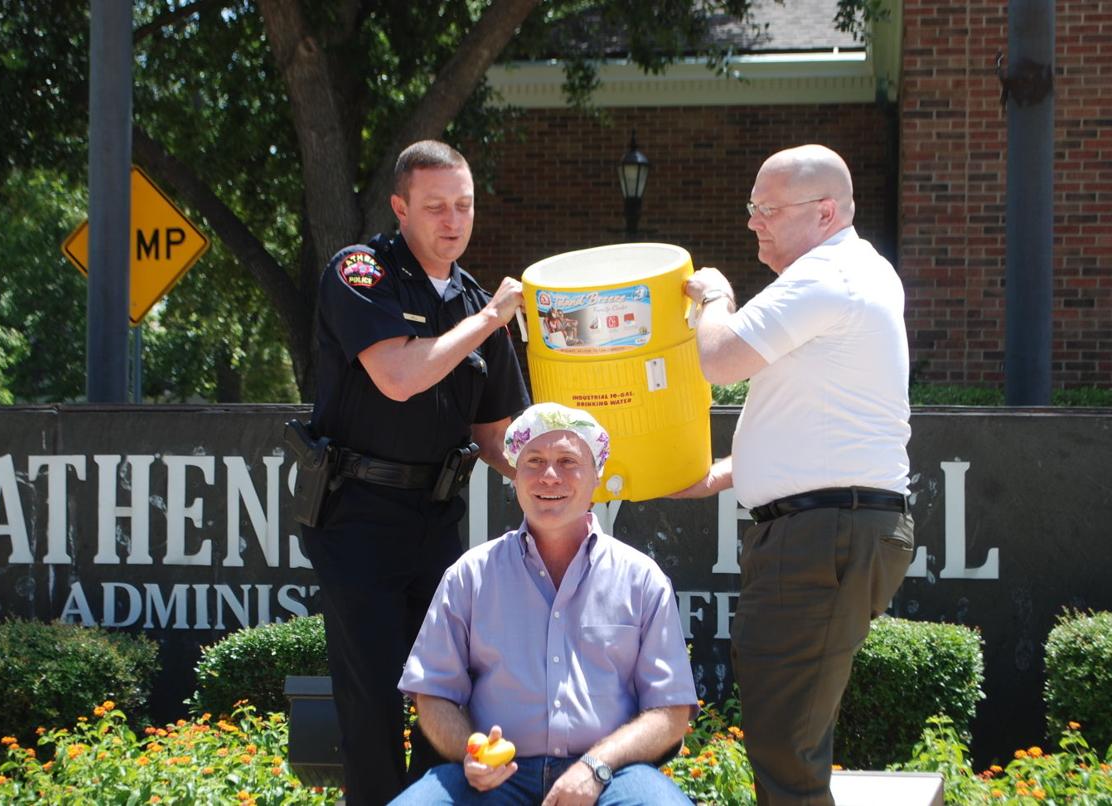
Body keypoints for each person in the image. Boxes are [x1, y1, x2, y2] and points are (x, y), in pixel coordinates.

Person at [674, 144, 915, 805]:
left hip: (821, 533)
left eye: (767, 208)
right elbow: (822, 415)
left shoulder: (825, 277)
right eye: (753, 207)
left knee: (785, 750)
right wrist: (725, 472)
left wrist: (716, 299)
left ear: (826, 211)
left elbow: (719, 358)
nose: (754, 222)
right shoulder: (858, 273)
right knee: (789, 738)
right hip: (831, 527)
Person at [302, 140, 531, 805]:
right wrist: (488, 321)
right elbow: (399, 376)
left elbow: (496, 436)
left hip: (436, 517)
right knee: (372, 704)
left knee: (447, 691)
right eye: (436, 207)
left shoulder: (475, 299)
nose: (454, 221)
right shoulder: (361, 271)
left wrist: (560, 476)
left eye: (464, 206)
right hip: (358, 516)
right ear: (401, 208)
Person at [392, 402, 697, 806]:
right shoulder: (470, 575)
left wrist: (595, 767)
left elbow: (670, 711)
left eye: (568, 461)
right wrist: (472, 752)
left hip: (612, 777)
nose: (549, 475)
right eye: (534, 460)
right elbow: (432, 693)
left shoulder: (641, 579)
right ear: (516, 477)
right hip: (496, 777)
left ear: (596, 478)